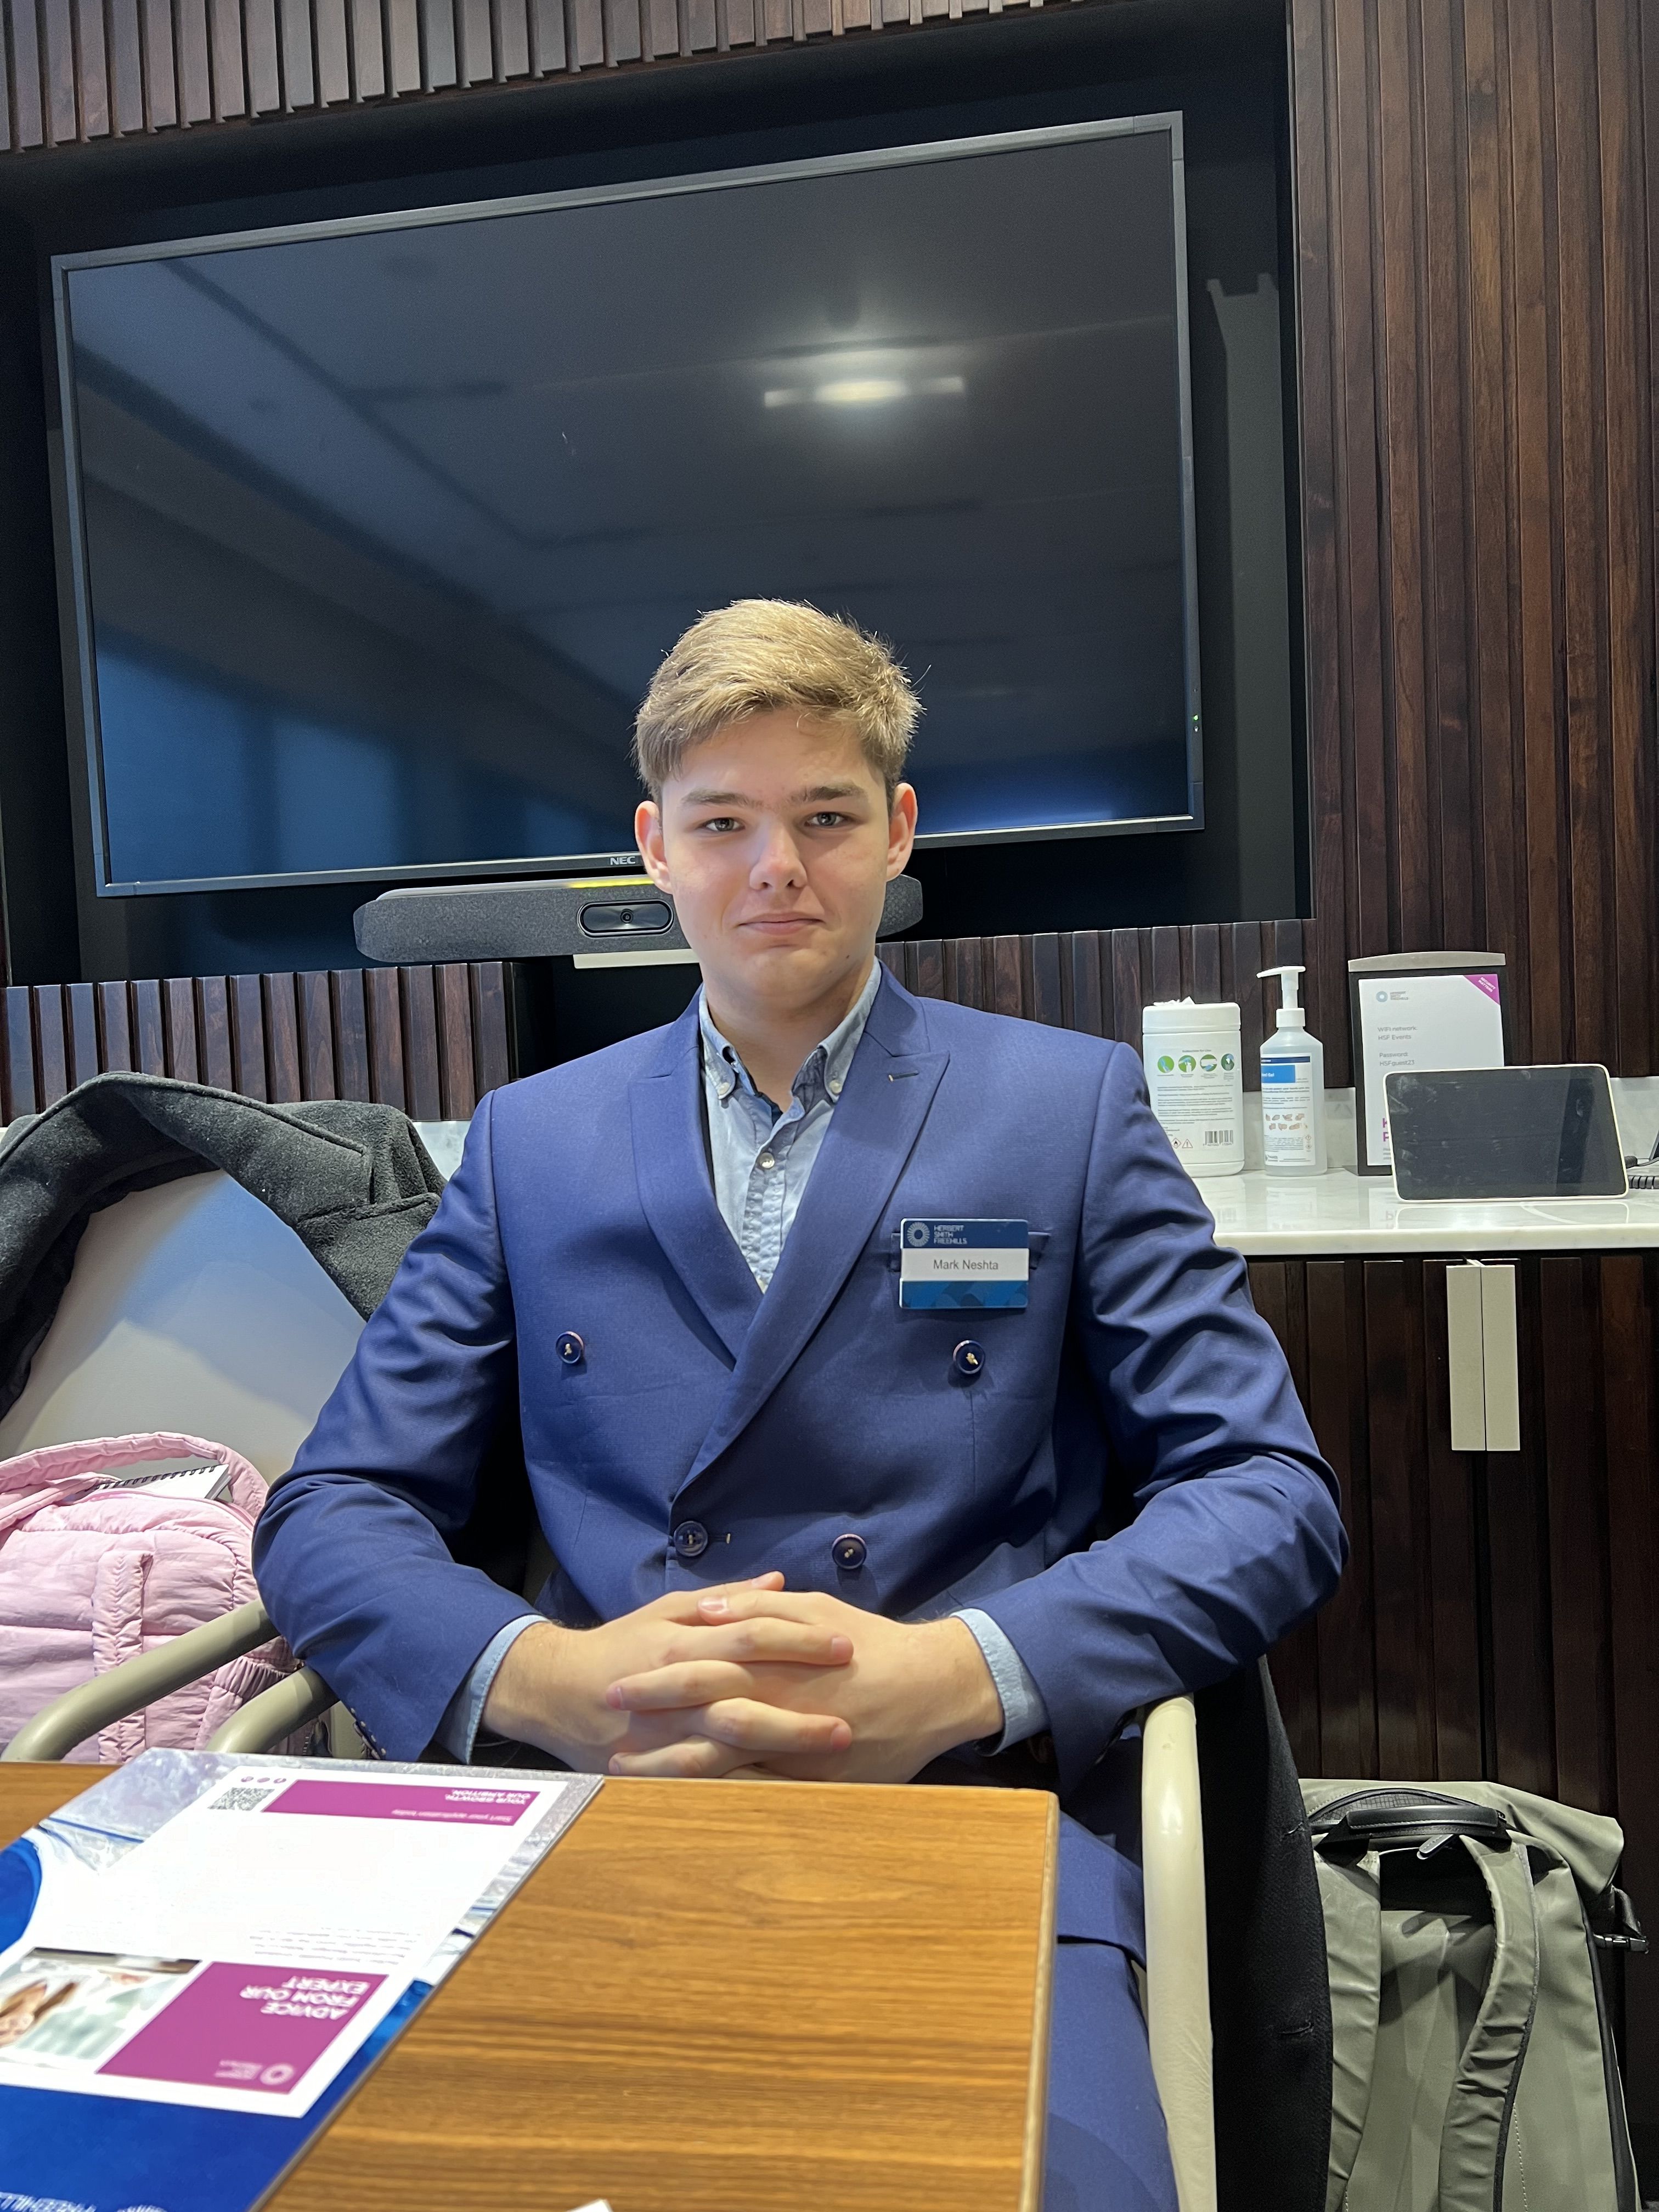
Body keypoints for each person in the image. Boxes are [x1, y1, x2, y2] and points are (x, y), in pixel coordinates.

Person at [255, 598, 1346, 2210]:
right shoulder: (528, 1143)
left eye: (826, 816)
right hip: (607, 1825)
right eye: (725, 822)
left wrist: (968, 1673)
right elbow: (335, 1511)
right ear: (654, 847)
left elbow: (1268, 1492)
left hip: (974, 1819)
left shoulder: (1065, 1111)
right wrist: (546, 1678)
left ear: (899, 833)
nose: (778, 866)